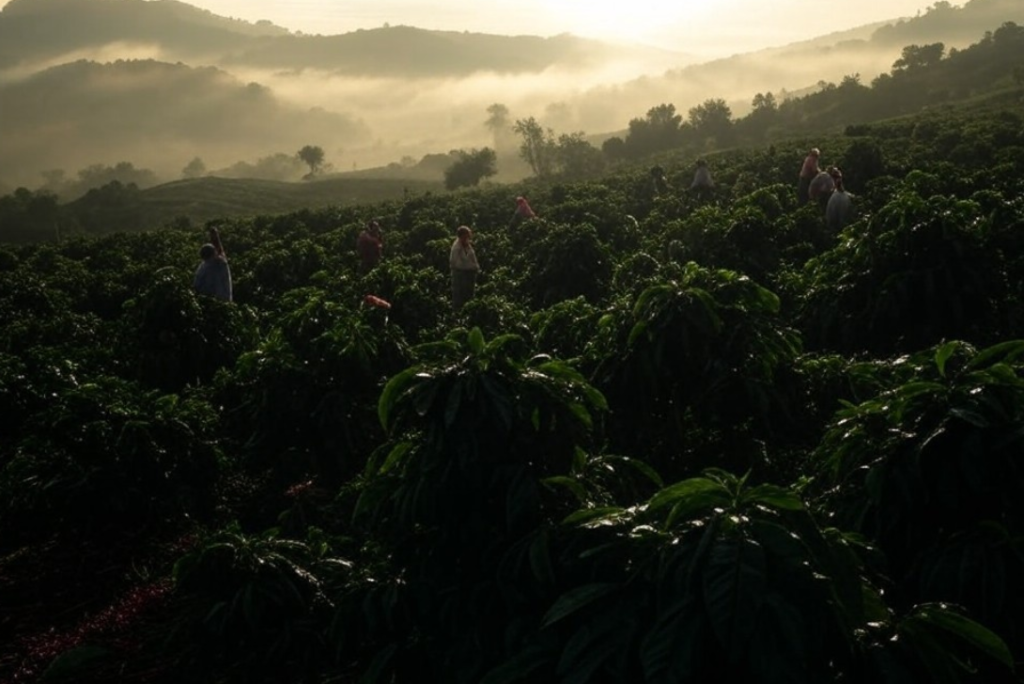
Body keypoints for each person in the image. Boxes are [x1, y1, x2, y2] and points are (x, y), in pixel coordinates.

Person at [194, 225, 232, 301]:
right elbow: (220, 251)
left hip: (212, 301)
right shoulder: (220, 263)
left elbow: (196, 285)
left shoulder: (210, 265)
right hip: (222, 300)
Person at [449, 225, 480, 312]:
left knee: (469, 294)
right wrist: (471, 267)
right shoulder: (456, 248)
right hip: (460, 274)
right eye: (466, 236)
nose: (468, 238)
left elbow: (472, 258)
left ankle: (468, 311)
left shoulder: (467, 245)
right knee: (459, 295)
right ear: (461, 236)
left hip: (469, 274)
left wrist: (475, 267)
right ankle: (458, 313)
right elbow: (457, 264)